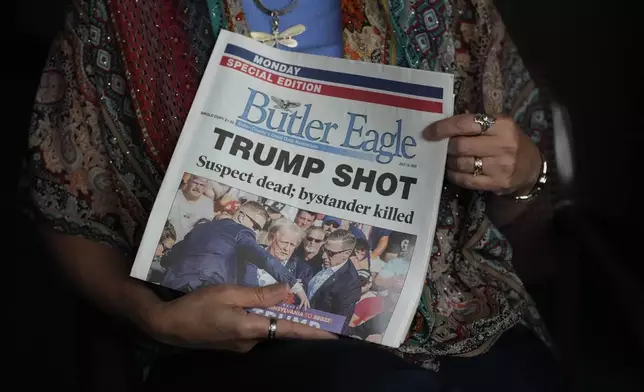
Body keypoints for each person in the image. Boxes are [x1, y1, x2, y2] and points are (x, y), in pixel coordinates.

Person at [23, 0, 562, 390]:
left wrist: (524, 174)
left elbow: (522, 215)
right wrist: (149, 316)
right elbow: (66, 203)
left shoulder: (448, 9)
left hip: (465, 320)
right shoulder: (122, 15)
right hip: (230, 347)